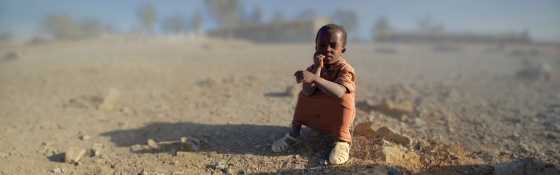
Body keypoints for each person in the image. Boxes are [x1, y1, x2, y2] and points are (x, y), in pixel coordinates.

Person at [272, 24, 356, 165]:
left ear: (342, 50)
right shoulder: (313, 68)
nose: (327, 49)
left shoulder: (345, 69)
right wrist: (317, 68)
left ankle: (343, 141)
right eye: (322, 45)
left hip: (336, 112)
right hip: (319, 113)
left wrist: (315, 79)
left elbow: (339, 92)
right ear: (316, 47)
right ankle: (294, 135)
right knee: (302, 95)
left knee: (344, 98)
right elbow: (307, 91)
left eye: (333, 46)